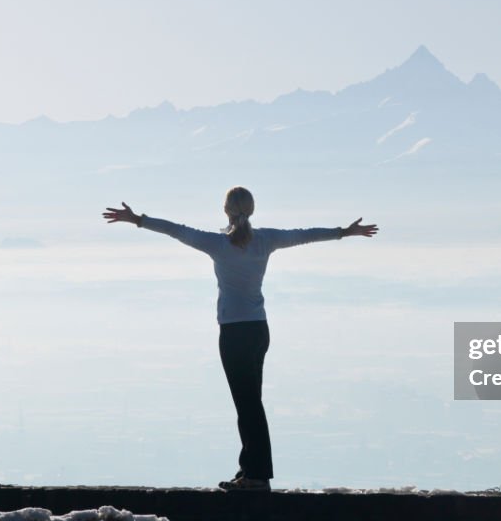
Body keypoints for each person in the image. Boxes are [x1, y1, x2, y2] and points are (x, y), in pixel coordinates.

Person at [103, 187, 378, 491]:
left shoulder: (217, 244)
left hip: (234, 332)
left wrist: (137, 219)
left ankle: (257, 476)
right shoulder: (266, 240)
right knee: (250, 403)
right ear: (252, 209)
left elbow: (176, 230)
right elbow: (305, 234)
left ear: (226, 211)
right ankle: (250, 470)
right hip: (259, 330)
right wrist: (344, 232)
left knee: (247, 405)